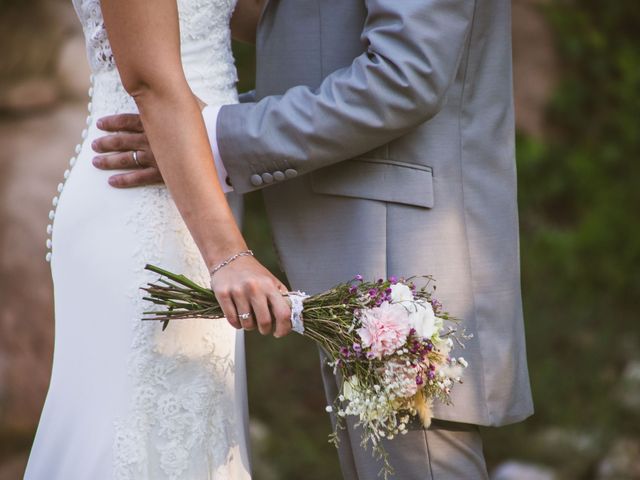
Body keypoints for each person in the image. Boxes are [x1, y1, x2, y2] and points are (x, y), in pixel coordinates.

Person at [94, 0, 535, 478]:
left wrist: (212, 138)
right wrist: (190, 141)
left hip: (399, 244)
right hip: (361, 237)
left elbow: (405, 76)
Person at [24, 0, 290, 478]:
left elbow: (259, 20)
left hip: (196, 200)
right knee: (135, 433)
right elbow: (150, 82)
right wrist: (228, 254)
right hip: (143, 203)